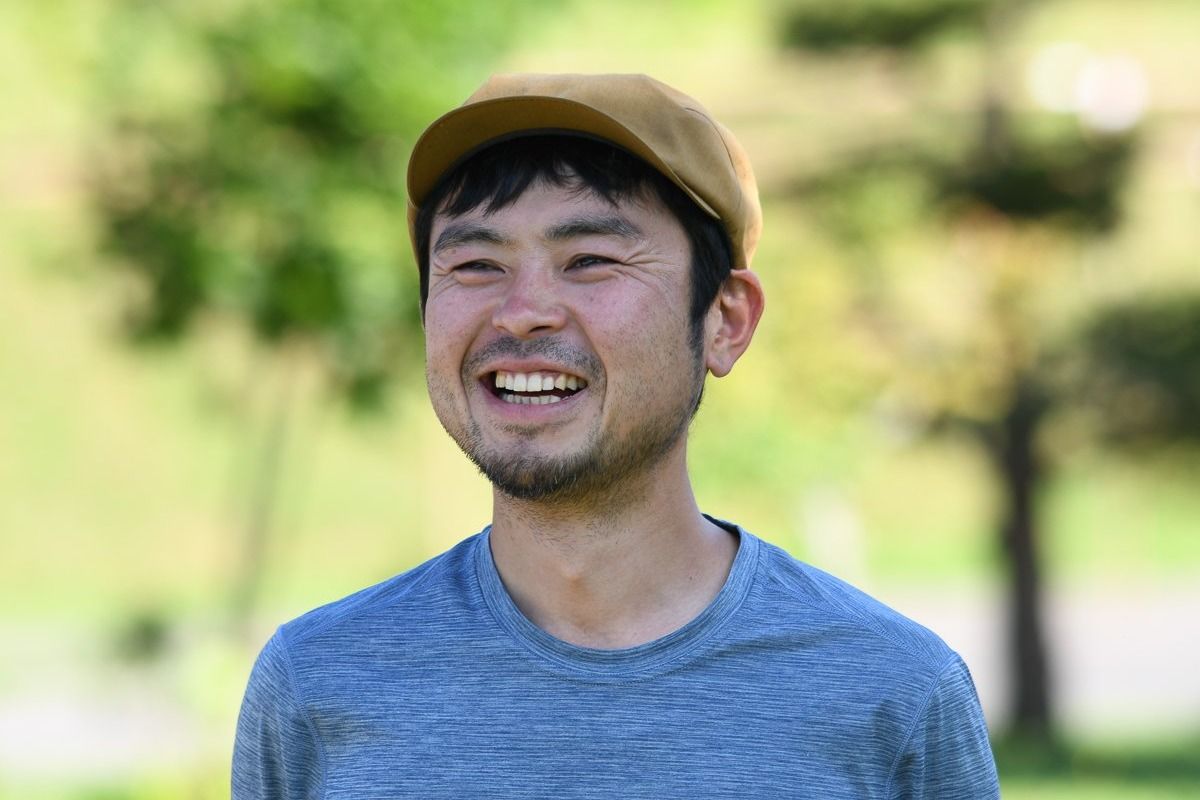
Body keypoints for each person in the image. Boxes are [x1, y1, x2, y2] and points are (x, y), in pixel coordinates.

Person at [233, 73, 1000, 799]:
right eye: (474, 264)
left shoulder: (890, 692)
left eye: (590, 260)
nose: (522, 312)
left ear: (725, 321)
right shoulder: (318, 684)